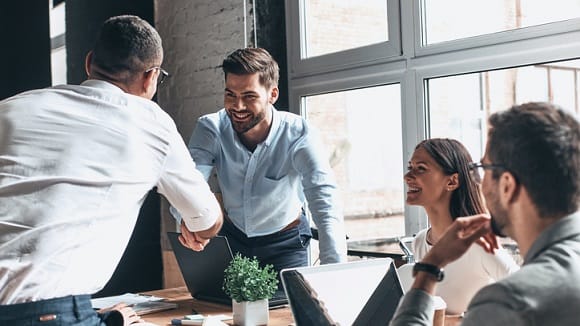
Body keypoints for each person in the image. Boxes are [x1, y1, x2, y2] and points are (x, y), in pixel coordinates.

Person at [0, 15, 223, 325]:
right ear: (150, 78)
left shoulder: (10, 108)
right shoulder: (149, 122)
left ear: (89, 62)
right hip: (49, 315)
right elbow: (208, 221)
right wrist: (195, 225)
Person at [391, 102, 580, 325]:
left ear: (507, 185)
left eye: (484, 170)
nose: (478, 182)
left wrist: (429, 269)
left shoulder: (506, 304)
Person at [186, 47, 347, 278]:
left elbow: (325, 200)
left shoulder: (300, 134)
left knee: (290, 312)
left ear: (272, 95)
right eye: (230, 94)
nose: (237, 106)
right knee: (222, 311)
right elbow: (189, 182)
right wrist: (186, 220)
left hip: (286, 245)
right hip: (233, 240)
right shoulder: (210, 128)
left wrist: (334, 272)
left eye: (249, 96)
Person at [404, 138, 519, 314]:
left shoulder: (478, 243)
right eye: (410, 167)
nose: (408, 176)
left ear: (452, 182)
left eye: (421, 169)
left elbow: (527, 294)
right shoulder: (420, 241)